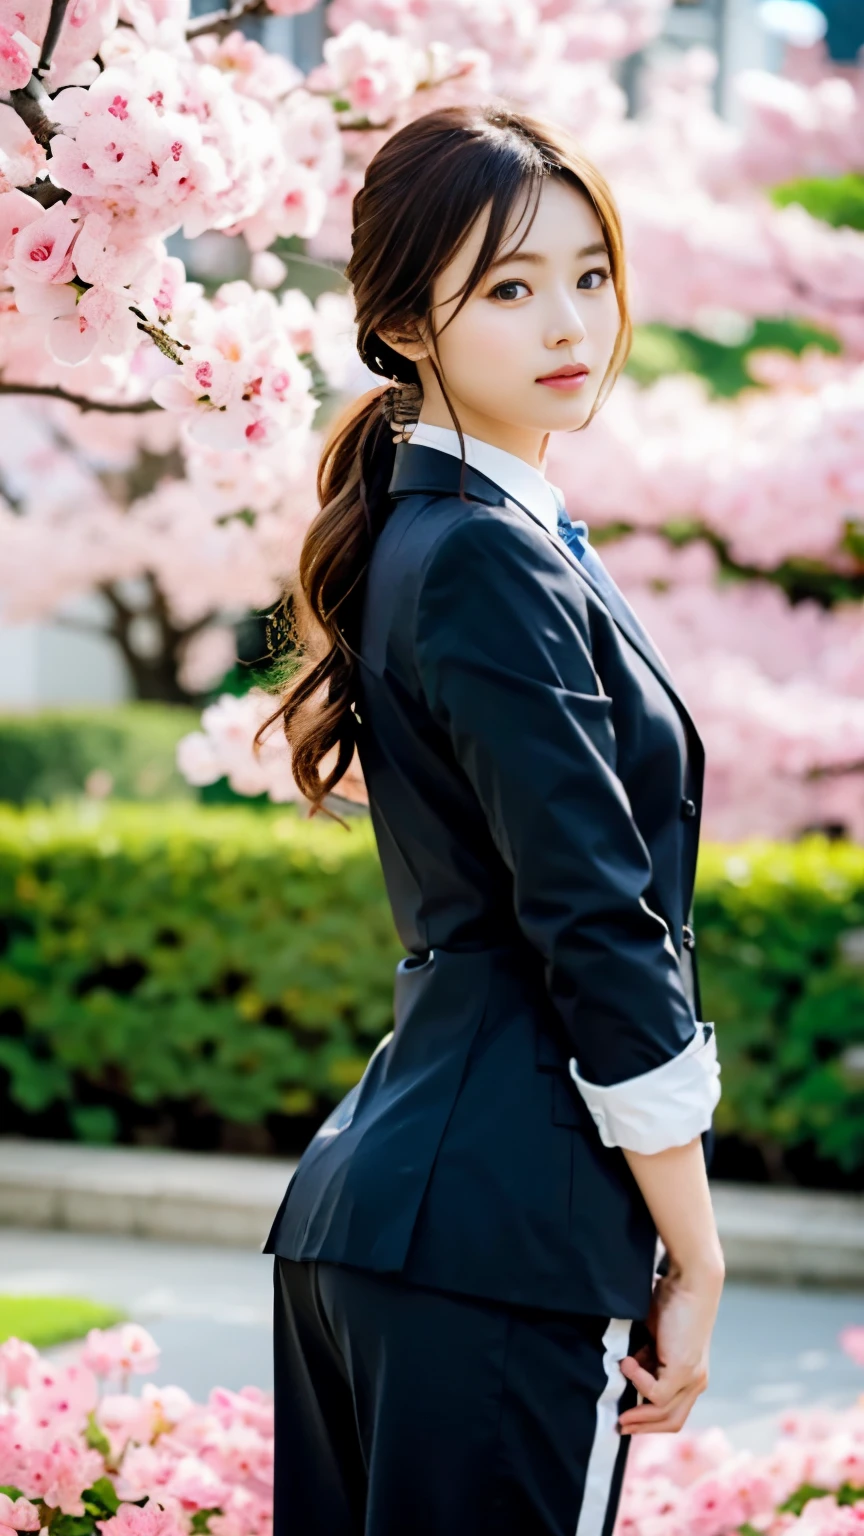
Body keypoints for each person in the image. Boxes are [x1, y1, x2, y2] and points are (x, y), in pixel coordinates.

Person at [260, 103, 725, 1536]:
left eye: (589, 273)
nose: (568, 320)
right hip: (492, 1241)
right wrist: (696, 1254)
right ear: (405, 324)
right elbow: (591, 918)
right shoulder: (478, 559)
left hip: (398, 1222)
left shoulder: (460, 536)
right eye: (508, 288)